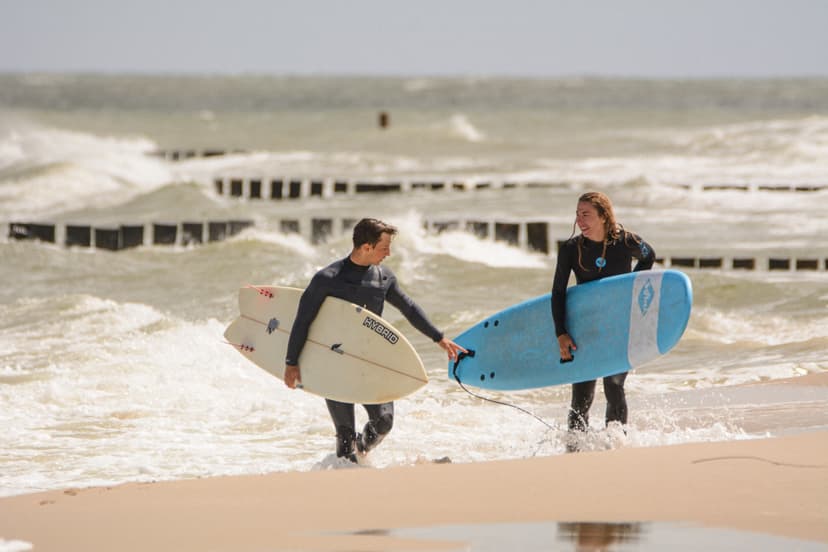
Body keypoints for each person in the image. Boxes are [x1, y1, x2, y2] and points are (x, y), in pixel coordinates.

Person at [284, 218, 466, 462]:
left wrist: (439, 338)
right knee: (345, 439)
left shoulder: (382, 278)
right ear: (366, 247)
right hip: (336, 362)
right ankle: (347, 474)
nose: (389, 254)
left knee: (384, 423)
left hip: (370, 360)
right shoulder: (327, 278)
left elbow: (409, 308)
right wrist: (292, 362)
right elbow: (303, 320)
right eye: (384, 248)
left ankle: (362, 451)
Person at [551, 192, 656, 447]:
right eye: (577, 214)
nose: (579, 220)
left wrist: (629, 286)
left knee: (614, 385)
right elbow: (558, 292)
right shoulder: (571, 249)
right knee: (581, 397)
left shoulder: (626, 241)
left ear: (603, 216)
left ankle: (616, 444)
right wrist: (561, 333)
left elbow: (649, 255)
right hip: (586, 328)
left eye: (585, 214)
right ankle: (574, 448)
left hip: (619, 327)